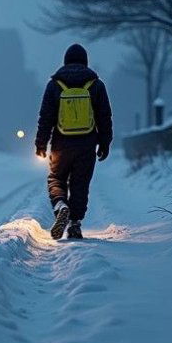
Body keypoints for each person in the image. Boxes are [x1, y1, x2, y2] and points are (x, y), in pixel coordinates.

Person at [34, 43, 113, 239]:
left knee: (56, 179)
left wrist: (41, 143)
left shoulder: (55, 85)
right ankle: (75, 224)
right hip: (87, 144)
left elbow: (46, 116)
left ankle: (61, 205)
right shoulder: (96, 85)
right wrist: (104, 143)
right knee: (80, 183)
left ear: (65, 61)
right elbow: (105, 116)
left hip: (61, 144)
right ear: (85, 62)